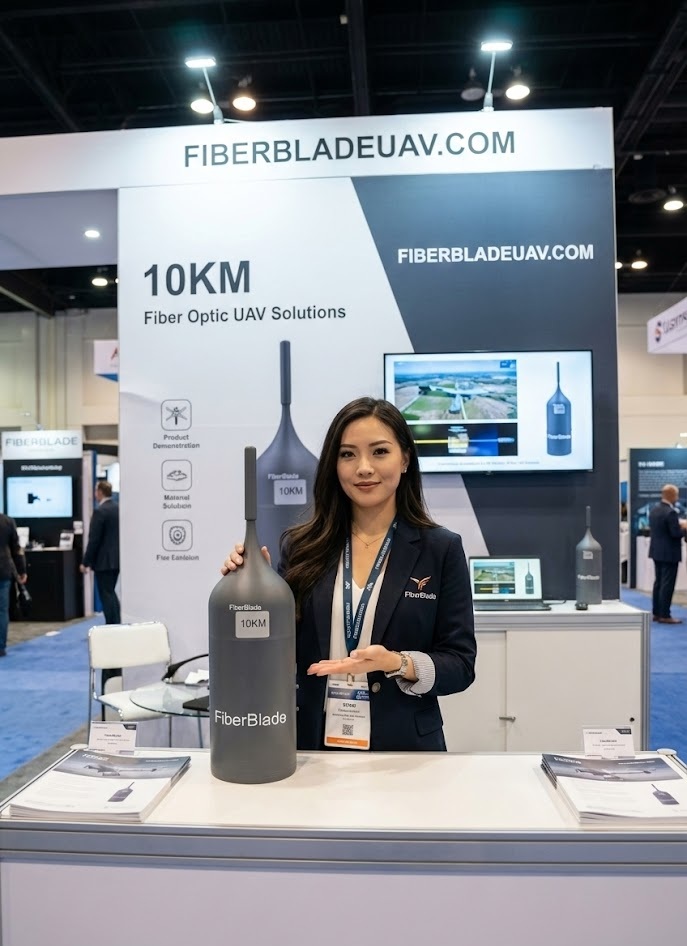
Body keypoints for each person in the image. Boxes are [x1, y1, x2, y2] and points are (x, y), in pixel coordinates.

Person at [222, 396, 477, 751]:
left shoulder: (440, 549)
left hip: (404, 750)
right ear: (334, 464)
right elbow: (275, 648)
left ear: (405, 459)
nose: (364, 468)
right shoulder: (301, 546)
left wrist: (397, 662)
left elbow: (460, 665)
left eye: (380, 452)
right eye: (348, 454)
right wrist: (254, 590)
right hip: (313, 745)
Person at [81, 480, 121, 626]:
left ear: (99, 492)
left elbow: (94, 539)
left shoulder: (100, 511)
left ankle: (112, 624)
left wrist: (85, 562)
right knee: (110, 592)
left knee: (106, 594)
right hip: (116, 560)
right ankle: (116, 622)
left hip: (103, 561)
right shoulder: (117, 508)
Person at [648, 483, 687, 624]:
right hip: (669, 554)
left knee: (658, 583)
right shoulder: (671, 512)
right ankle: (665, 614)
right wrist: (683, 527)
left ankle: (657, 612)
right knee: (667, 585)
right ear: (672, 495)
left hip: (656, 552)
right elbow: (675, 533)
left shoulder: (654, 510)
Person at [0, 513, 27, 657]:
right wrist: (22, 570)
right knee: (2, 610)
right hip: (3, 570)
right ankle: (1, 646)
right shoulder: (7, 521)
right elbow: (16, 548)